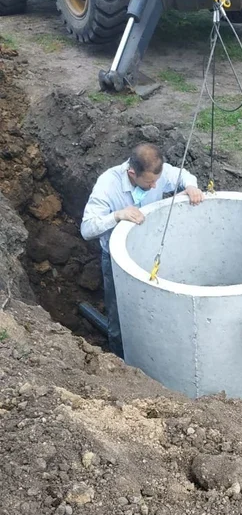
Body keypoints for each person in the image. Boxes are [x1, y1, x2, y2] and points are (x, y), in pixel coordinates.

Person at [81, 142, 204, 357]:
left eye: (157, 181)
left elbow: (183, 176)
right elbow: (87, 229)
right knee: (119, 316)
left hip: (151, 253)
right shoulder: (108, 185)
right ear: (132, 172)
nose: (155, 187)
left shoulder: (157, 173)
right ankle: (121, 359)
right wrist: (117, 215)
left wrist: (191, 186)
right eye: (149, 183)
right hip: (116, 262)